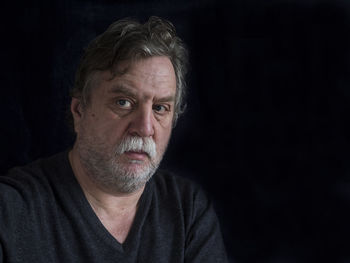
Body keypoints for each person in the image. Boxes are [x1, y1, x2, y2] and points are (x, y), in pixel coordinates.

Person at [0, 16, 228, 262]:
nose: (144, 127)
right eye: (124, 102)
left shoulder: (188, 211)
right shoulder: (11, 210)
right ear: (80, 111)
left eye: (160, 108)